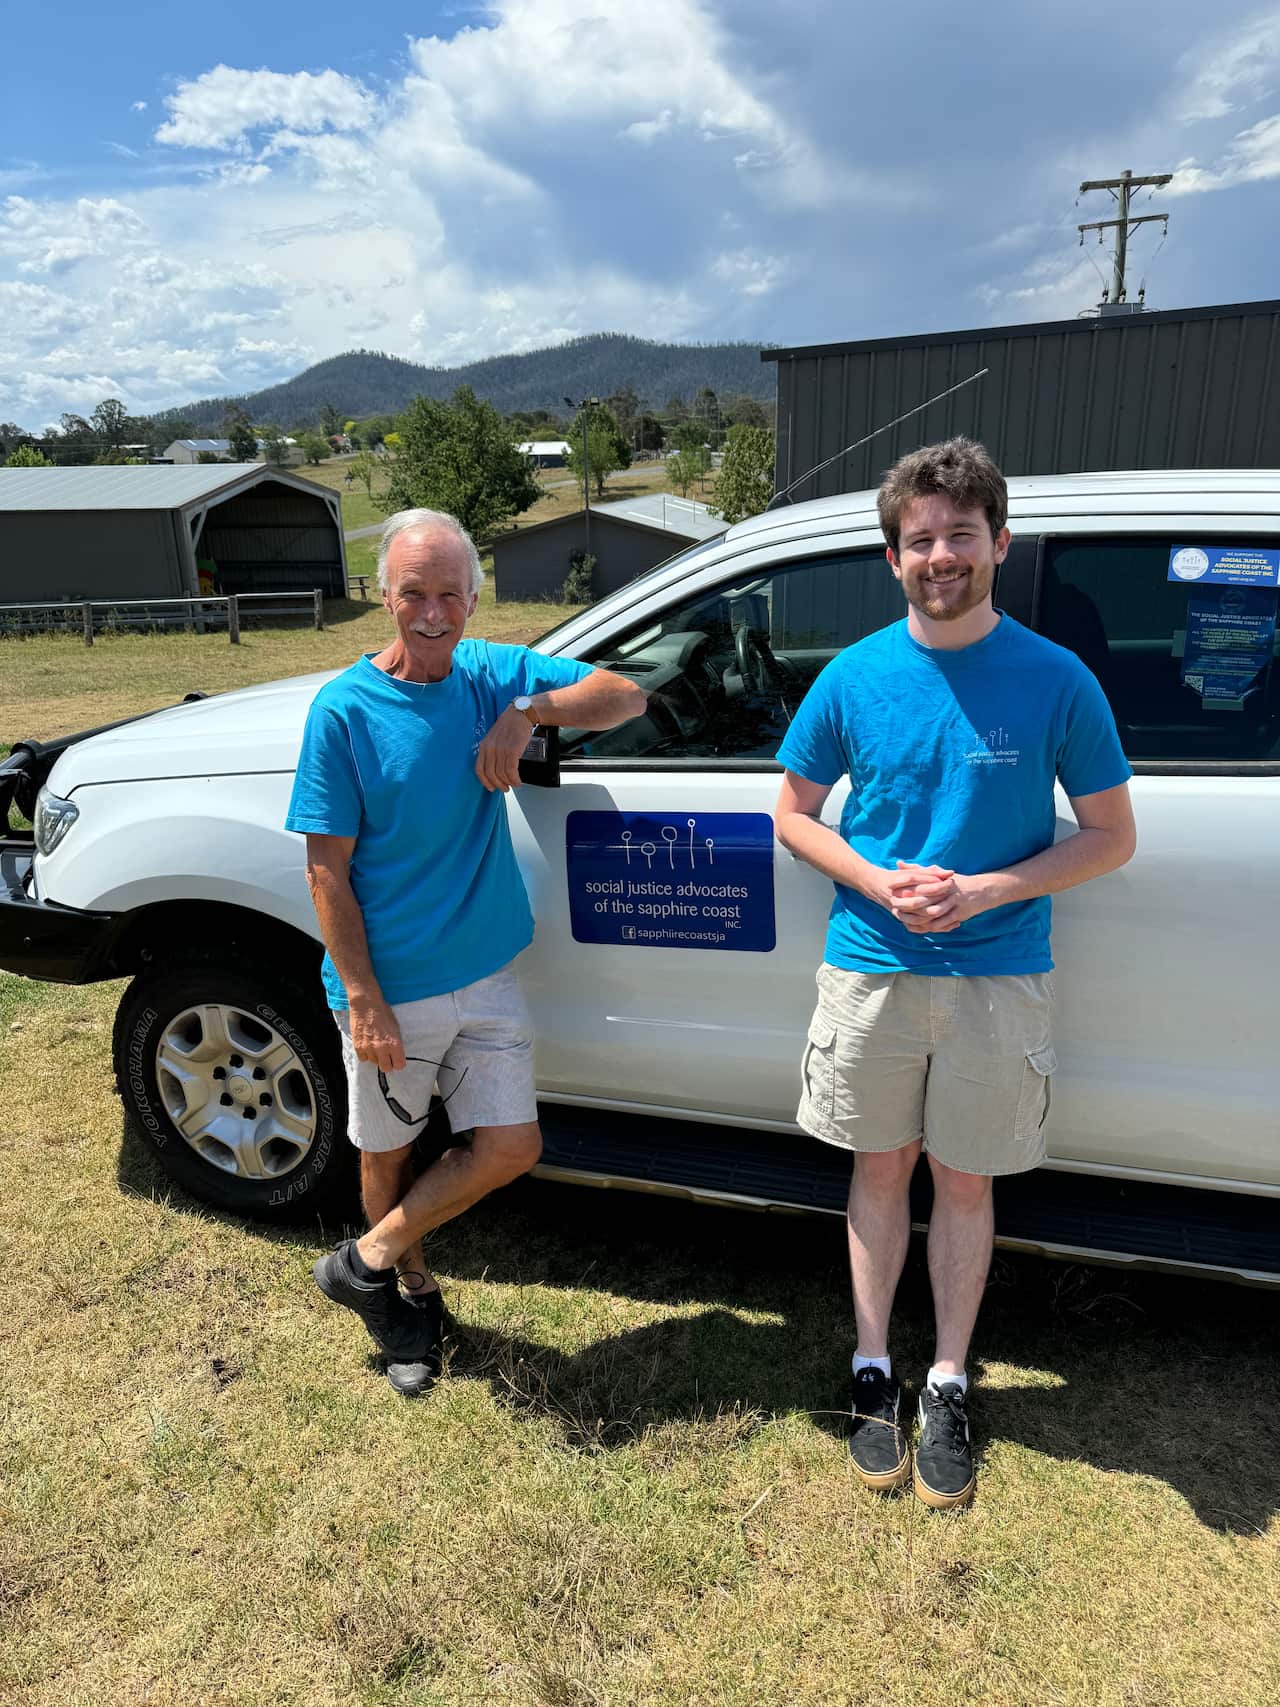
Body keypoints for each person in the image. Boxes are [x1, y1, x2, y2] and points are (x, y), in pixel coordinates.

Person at [773, 439, 1135, 1508]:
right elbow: (792, 814)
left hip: (995, 970)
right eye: (919, 539)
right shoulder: (852, 676)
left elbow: (1109, 835)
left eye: (959, 536)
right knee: (877, 1169)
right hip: (872, 964)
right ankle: (871, 1366)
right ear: (892, 557)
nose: (940, 556)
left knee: (965, 1182)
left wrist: (983, 890)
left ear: (997, 545)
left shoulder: (1054, 678)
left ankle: (945, 1381)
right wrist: (878, 882)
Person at [287, 508, 646, 1396]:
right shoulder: (343, 713)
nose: (434, 611)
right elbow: (325, 871)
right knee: (386, 1153)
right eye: (414, 592)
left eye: (451, 592)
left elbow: (625, 694)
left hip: (485, 974)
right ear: (384, 596)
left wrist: (524, 713)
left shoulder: (491, 675)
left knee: (511, 1144)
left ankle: (364, 1261)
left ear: (476, 598)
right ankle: (407, 1296)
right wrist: (363, 998)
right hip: (391, 988)